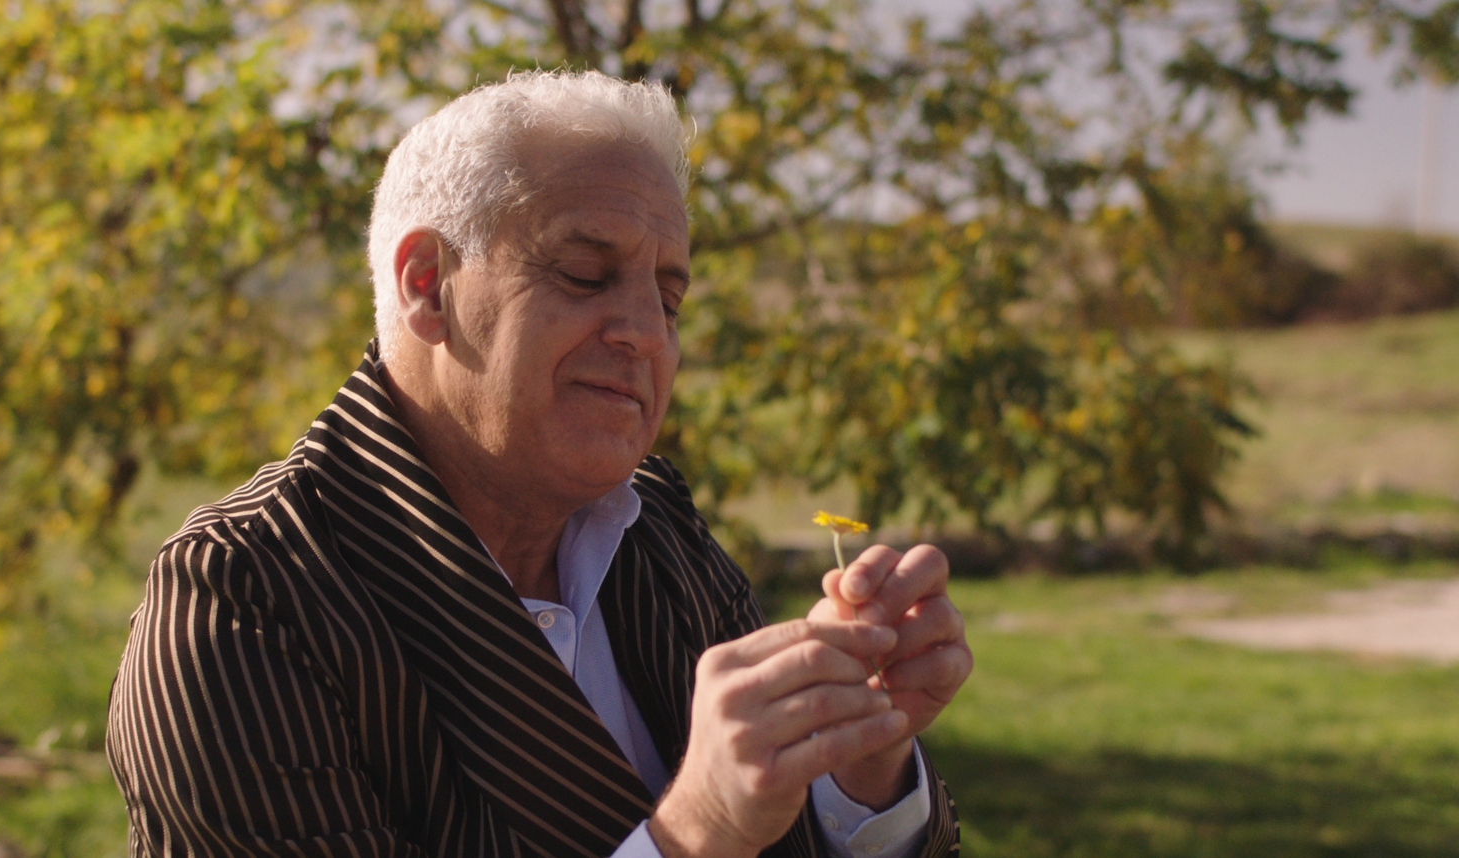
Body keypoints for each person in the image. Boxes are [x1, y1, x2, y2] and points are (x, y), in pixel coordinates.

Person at [106, 70, 972, 858]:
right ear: (426, 285)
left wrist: (860, 768)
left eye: (669, 298)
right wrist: (696, 833)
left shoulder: (658, 529)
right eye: (586, 274)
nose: (645, 333)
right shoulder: (244, 599)